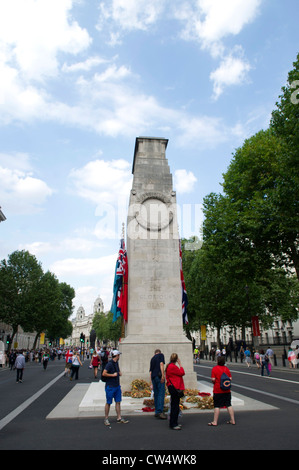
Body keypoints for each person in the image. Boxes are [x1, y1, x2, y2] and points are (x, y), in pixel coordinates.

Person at [102, 350, 129, 426]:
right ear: (116, 355)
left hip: (117, 385)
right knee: (108, 402)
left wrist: (119, 373)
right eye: (118, 355)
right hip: (110, 386)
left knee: (118, 402)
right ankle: (106, 418)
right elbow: (104, 373)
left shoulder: (116, 363)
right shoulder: (109, 364)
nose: (119, 356)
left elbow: (117, 371)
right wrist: (112, 375)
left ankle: (119, 417)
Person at [208, 355, 235, 426]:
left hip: (218, 390)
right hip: (227, 390)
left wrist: (216, 382)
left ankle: (215, 421)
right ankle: (232, 419)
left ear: (217, 361)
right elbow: (230, 378)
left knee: (217, 406)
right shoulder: (226, 369)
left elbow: (213, 379)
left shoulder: (214, 369)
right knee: (228, 404)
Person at [165, 353, 185, 430]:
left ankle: (174, 422)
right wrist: (180, 364)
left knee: (174, 405)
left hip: (173, 387)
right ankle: (173, 423)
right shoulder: (172, 367)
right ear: (176, 359)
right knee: (175, 406)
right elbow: (182, 373)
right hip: (175, 388)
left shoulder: (169, 366)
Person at [149, 349, 167, 419]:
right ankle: (160, 411)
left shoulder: (152, 359)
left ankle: (157, 411)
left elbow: (150, 372)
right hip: (159, 377)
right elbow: (161, 364)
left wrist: (151, 383)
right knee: (161, 394)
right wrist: (163, 375)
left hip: (153, 377)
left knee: (156, 394)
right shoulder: (161, 355)